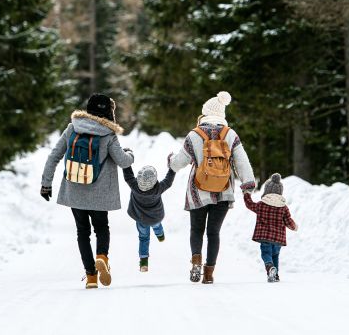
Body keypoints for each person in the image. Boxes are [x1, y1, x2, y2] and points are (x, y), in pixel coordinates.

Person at [40, 94, 134, 289]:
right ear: (109, 111)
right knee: (101, 228)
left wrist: (46, 184)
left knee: (82, 231)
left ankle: (91, 276)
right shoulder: (108, 134)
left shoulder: (73, 127)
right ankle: (102, 257)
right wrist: (130, 154)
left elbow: (54, 156)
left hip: (75, 190)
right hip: (100, 194)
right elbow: (123, 161)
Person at [168, 91, 256, 284]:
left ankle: (196, 262)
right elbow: (242, 162)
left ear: (205, 113)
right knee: (214, 233)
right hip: (224, 190)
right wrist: (248, 186)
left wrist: (170, 162)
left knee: (196, 230)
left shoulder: (194, 134)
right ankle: (208, 274)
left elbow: (178, 163)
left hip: (197, 191)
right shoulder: (230, 134)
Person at [243, 173, 298, 282]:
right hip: (278, 239)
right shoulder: (284, 208)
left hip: (265, 237)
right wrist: (294, 226)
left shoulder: (261, 205)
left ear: (266, 191)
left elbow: (250, 204)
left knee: (266, 254)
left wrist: (246, 194)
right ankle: (275, 275)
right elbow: (288, 221)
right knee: (275, 256)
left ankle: (269, 267)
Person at [121, 164, 176, 272]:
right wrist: (172, 168)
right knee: (157, 226)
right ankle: (160, 236)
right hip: (156, 218)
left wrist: (126, 160)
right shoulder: (158, 188)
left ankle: (144, 262)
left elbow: (128, 175)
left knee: (143, 238)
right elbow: (168, 181)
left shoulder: (134, 186)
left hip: (141, 220)